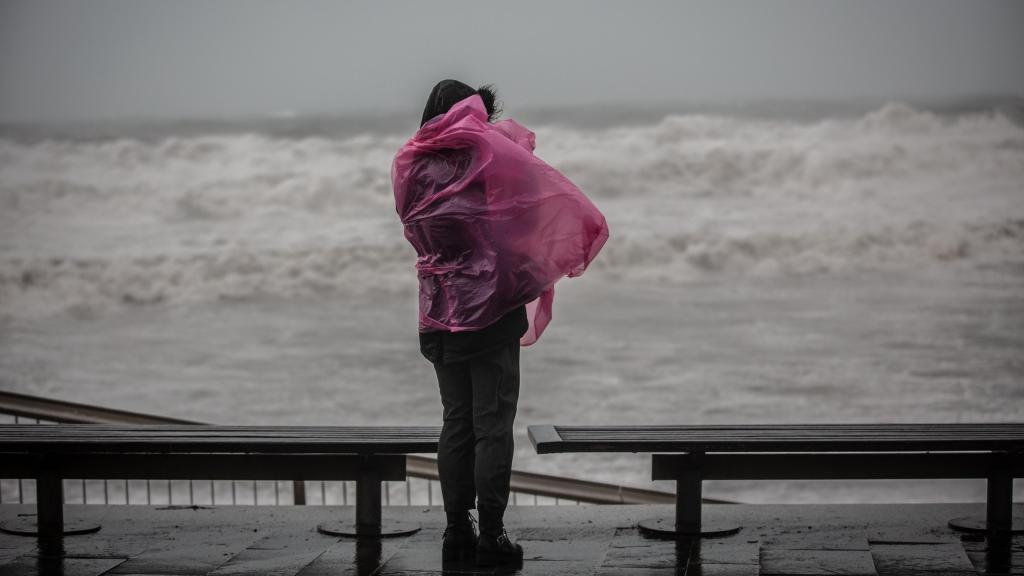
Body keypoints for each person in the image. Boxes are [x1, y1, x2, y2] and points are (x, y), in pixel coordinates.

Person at [393, 79, 608, 566]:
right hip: (488, 313)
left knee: (456, 422)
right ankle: (491, 533)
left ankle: (455, 531)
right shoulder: (488, 155)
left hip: (436, 310)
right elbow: (518, 221)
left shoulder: (408, 163)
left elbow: (421, 230)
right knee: (492, 426)